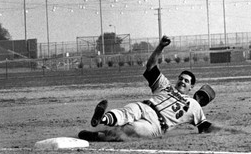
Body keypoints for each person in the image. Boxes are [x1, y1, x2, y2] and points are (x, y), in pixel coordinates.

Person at [78, 36, 219, 142]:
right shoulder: (165, 85)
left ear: (192, 87)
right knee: (126, 112)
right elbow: (151, 66)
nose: (182, 81)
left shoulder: (195, 107)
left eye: (186, 81)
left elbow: (205, 127)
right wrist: (160, 47)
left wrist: (231, 130)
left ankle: (98, 135)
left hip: (156, 124)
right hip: (145, 107)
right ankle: (101, 119)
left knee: (132, 129)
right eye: (181, 78)